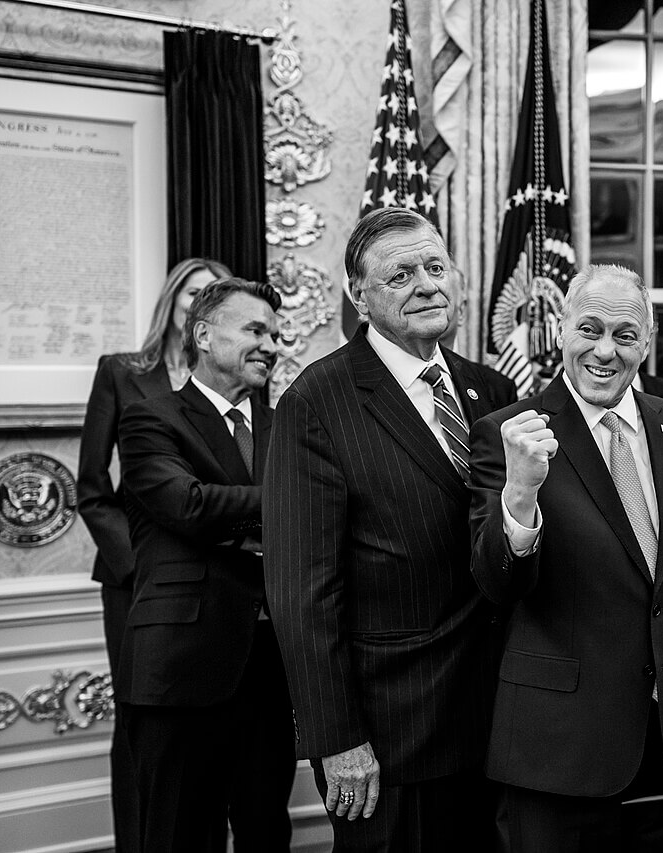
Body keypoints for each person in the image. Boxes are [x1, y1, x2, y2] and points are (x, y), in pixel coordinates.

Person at [468, 264, 663, 853]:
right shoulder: (509, 433)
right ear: (561, 330)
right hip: (557, 750)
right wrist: (520, 493)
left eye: (624, 335)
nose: (604, 350)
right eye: (589, 329)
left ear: (646, 343)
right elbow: (498, 585)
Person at [263, 208, 516, 851]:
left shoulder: (491, 388)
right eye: (401, 274)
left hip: (498, 719)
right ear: (359, 295)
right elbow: (302, 592)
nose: (428, 284)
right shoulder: (317, 402)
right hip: (389, 734)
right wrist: (338, 739)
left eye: (436, 266)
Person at [114, 277, 293, 851]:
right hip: (181, 669)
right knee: (179, 834)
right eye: (255, 330)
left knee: (267, 830)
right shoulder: (150, 419)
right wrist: (292, 497)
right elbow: (187, 506)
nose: (271, 344)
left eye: (275, 334)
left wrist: (238, 523)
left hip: (271, 667)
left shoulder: (287, 425)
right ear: (203, 335)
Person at [78, 256, 230, 853]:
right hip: (136, 579)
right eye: (191, 293)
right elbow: (91, 488)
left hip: (215, 574)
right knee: (142, 724)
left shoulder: (229, 373)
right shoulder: (122, 372)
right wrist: (138, 566)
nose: (199, 303)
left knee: (209, 719)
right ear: (172, 301)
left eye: (210, 296)